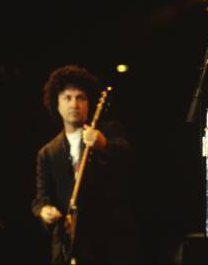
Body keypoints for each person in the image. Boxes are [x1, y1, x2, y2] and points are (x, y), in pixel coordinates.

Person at [32, 65, 136, 264]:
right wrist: (44, 211)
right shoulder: (47, 153)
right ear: (57, 104)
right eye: (67, 98)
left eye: (81, 97)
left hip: (107, 243)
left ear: (89, 103)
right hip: (68, 247)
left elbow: (128, 161)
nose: (74, 104)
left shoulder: (108, 131)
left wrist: (104, 144)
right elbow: (41, 198)